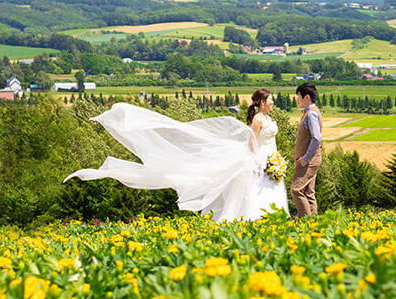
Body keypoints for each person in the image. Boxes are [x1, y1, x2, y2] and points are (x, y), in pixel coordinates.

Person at [64, 89, 288, 222]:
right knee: (257, 190)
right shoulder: (258, 119)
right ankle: (257, 218)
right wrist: (257, 159)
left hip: (272, 158)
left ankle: (277, 217)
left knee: (272, 188)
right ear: (261, 102)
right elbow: (251, 140)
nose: (272, 103)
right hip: (261, 160)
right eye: (270, 100)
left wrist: (275, 159)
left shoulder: (268, 119)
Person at [290, 81, 323, 217]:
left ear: (307, 97)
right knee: (308, 192)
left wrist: (305, 158)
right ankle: (312, 223)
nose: (297, 99)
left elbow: (316, 138)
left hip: (308, 161)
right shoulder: (311, 112)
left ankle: (304, 221)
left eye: (299, 96)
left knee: (296, 189)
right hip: (312, 160)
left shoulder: (311, 114)